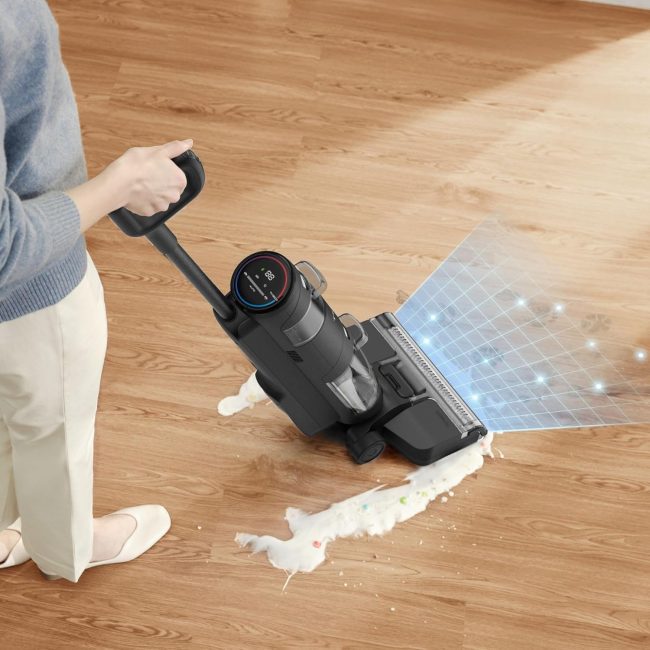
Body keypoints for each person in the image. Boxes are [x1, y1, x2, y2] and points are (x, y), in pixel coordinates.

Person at [0, 1, 190, 581]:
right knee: (55, 424)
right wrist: (119, 185)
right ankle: (68, 548)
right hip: (30, 297)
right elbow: (5, 249)